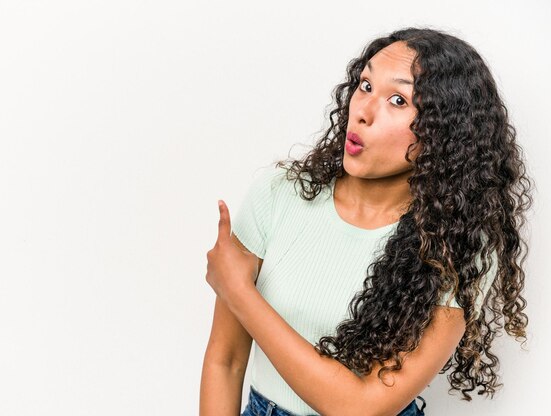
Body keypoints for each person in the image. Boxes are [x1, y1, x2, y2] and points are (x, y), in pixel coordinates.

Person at [200, 27, 533, 416]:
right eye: (365, 84)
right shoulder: (278, 195)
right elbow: (225, 361)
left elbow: (360, 408)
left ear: (444, 134)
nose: (362, 111)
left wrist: (239, 294)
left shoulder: (459, 247)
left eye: (397, 99)